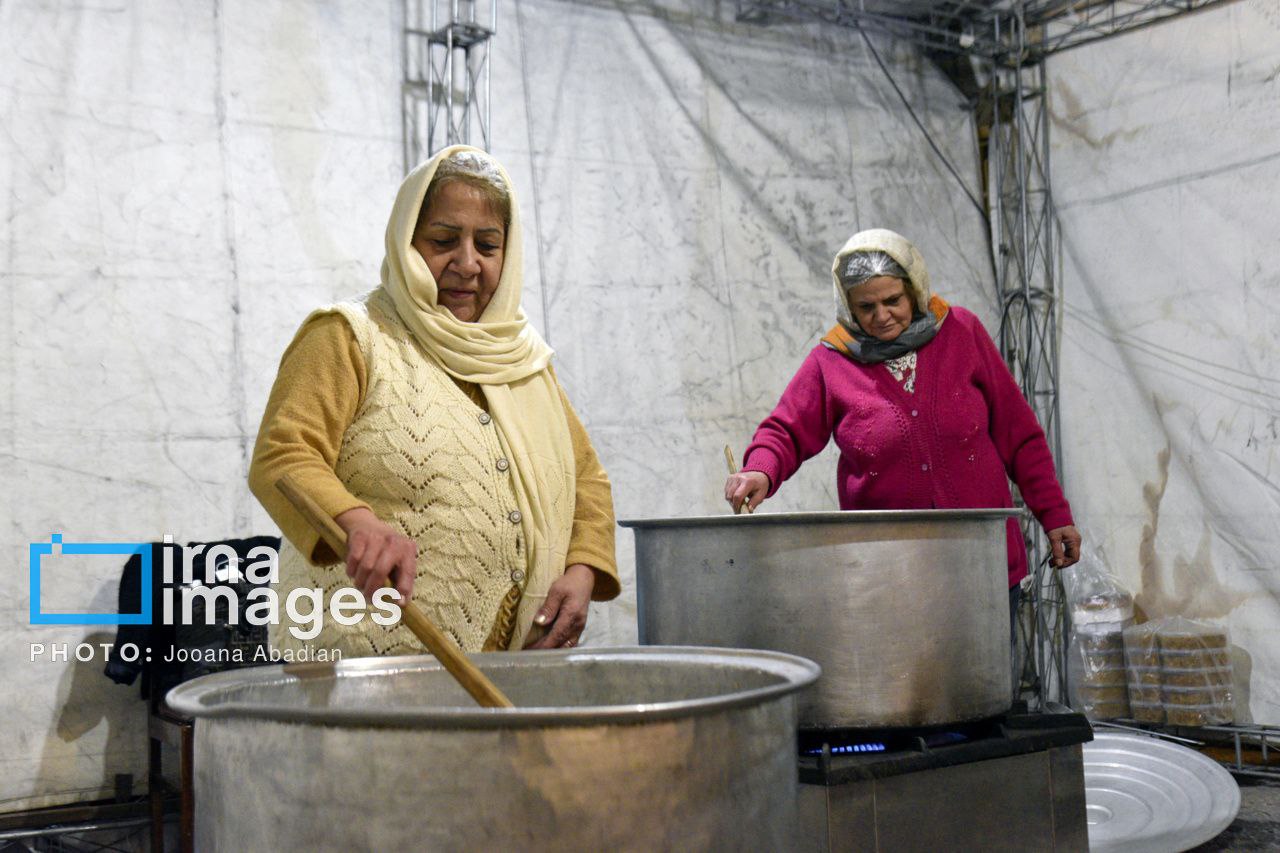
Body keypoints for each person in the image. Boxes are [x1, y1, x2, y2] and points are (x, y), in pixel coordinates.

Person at [249, 145, 619, 658]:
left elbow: (586, 482)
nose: (467, 264)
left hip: (513, 672)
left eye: (487, 246)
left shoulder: (524, 360)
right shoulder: (349, 336)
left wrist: (582, 570)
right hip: (361, 668)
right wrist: (354, 521)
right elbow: (284, 455)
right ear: (406, 241)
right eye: (444, 240)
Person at [724, 228, 1080, 626]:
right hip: (886, 575)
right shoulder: (833, 361)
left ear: (914, 291)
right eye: (866, 306)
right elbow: (785, 430)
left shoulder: (962, 332)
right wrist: (760, 469)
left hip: (982, 568)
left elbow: (1020, 436)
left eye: (893, 300)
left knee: (984, 687)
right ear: (848, 307)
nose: (881, 316)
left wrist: (1055, 515)